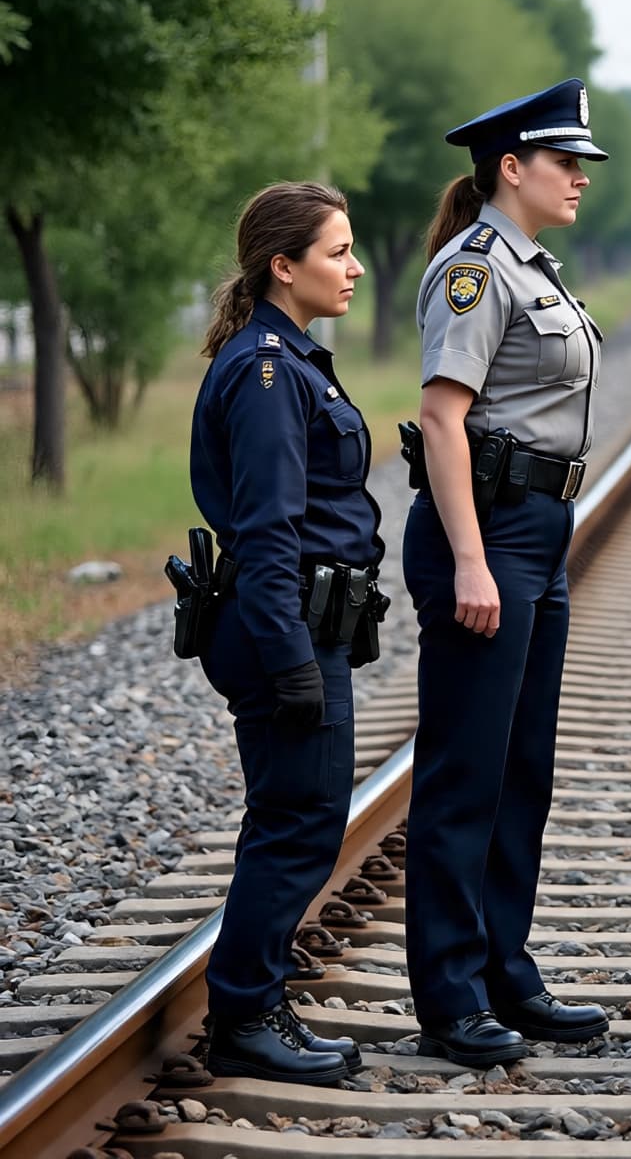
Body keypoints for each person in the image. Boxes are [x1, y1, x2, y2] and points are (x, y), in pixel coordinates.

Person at [402, 78, 611, 1068]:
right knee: (463, 772)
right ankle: (450, 994)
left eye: (581, 164)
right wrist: (472, 562)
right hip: (482, 532)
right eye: (563, 161)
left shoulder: (533, 265)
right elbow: (443, 419)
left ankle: (503, 969)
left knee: (520, 764)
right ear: (510, 168)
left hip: (537, 528)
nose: (578, 177)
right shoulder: (474, 271)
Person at [189, 181, 384, 1084]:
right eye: (337, 251)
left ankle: (256, 1002)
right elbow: (268, 536)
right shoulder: (268, 371)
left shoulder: (288, 357)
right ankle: (244, 1016)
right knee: (298, 824)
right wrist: (293, 661)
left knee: (296, 817)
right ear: (283, 266)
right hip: (284, 626)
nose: (354, 267)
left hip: (303, 619)